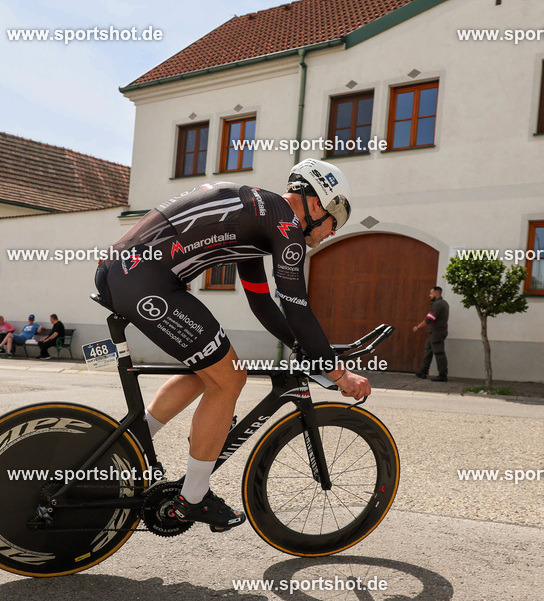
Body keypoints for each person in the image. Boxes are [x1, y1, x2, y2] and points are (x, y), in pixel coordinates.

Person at [95, 158, 370, 531]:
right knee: (230, 379)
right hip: (144, 281)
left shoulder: (260, 217)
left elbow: (261, 302)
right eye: (337, 218)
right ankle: (192, 498)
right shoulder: (284, 226)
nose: (332, 231)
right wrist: (338, 372)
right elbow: (297, 306)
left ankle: (123, 449)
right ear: (319, 203)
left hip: (127, 272)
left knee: (207, 371)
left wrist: (301, 346)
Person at [413, 286, 449, 381]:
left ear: (436, 294)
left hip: (437, 333)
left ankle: (443, 375)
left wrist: (418, 327)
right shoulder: (443, 303)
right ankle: (423, 372)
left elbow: (429, 318)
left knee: (438, 352)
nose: (429, 296)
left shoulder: (438, 304)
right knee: (428, 350)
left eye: (431, 293)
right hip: (435, 332)